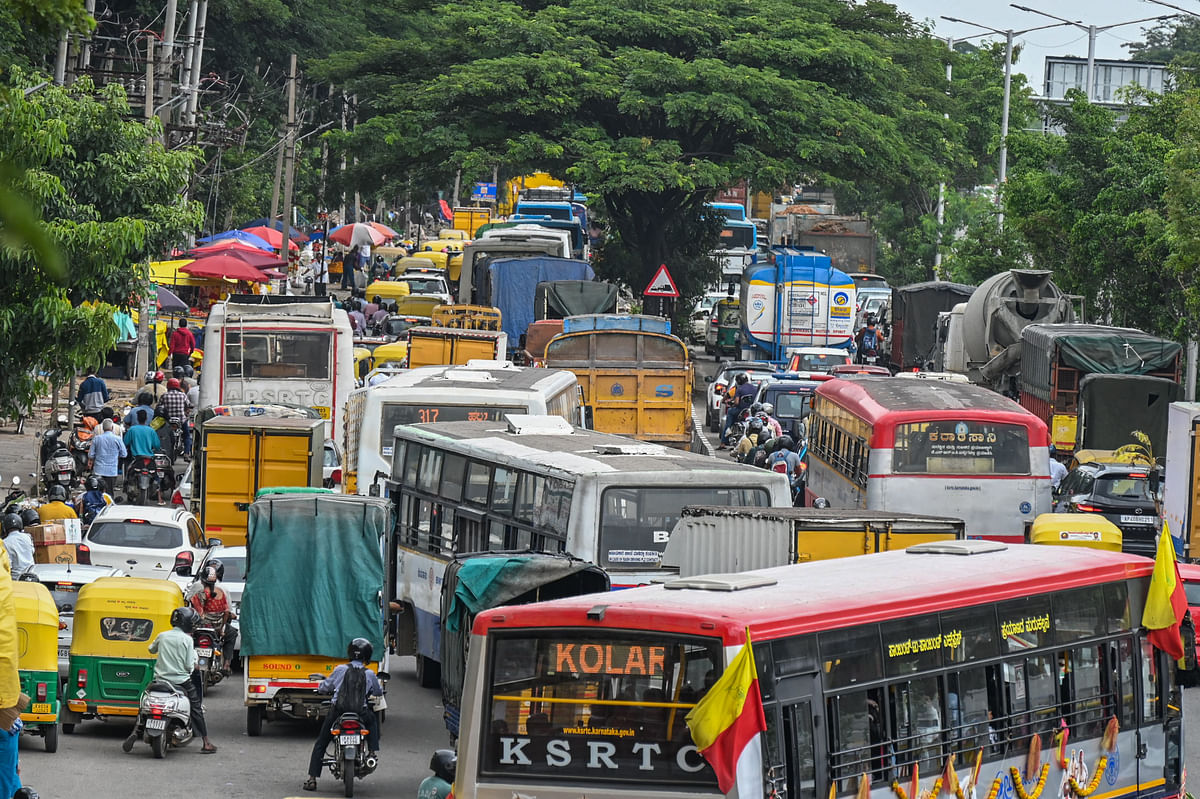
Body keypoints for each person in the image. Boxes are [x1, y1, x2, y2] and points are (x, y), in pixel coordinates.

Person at [125, 606, 216, 754]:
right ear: (188, 623)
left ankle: (137, 730)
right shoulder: (187, 640)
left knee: (144, 702)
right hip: (181, 682)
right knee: (196, 708)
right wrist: (189, 669)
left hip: (160, 680)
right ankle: (206, 742)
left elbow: (151, 649)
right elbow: (188, 665)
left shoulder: (162, 636)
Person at [303, 638, 383, 792]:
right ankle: (372, 752)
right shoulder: (369, 673)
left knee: (321, 743)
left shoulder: (340, 669)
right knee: (373, 721)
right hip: (360, 714)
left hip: (338, 712)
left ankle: (312, 779)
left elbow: (326, 686)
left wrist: (322, 687)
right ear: (367, 656)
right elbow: (378, 692)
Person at [188, 562, 237, 675]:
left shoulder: (197, 590)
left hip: (198, 626)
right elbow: (227, 611)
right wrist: (221, 629)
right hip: (217, 628)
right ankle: (226, 665)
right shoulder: (222, 591)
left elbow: (194, 609)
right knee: (233, 633)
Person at [88, 418, 127, 497]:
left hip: (98, 470)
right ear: (112, 428)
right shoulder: (117, 439)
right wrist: (116, 455)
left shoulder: (96, 439)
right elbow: (124, 454)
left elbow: (90, 455)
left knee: (98, 493)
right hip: (111, 471)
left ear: (103, 428)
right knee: (109, 492)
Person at [157, 378, 193, 458]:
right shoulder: (183, 395)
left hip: (168, 421)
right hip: (181, 420)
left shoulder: (164, 395)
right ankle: (186, 453)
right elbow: (189, 405)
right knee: (187, 436)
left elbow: (159, 406)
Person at [720, 373, 758, 447]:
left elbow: (736, 402)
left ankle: (723, 442)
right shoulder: (754, 388)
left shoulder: (739, 389)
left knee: (730, 415)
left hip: (740, 411)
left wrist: (732, 404)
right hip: (750, 411)